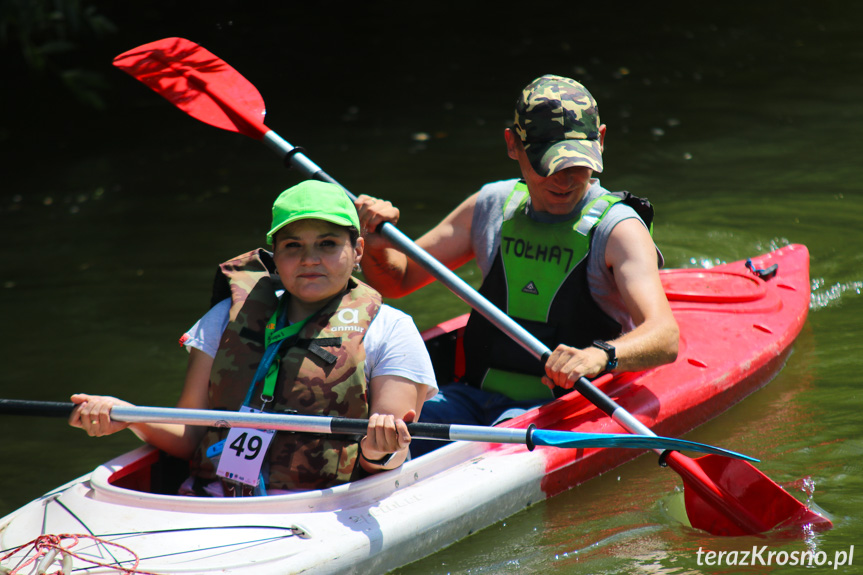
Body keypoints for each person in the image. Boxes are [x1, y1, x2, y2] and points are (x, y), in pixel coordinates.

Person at [355, 74, 679, 455]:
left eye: (578, 163)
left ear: (601, 141)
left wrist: (598, 355)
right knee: (381, 441)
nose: (565, 179)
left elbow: (665, 336)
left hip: (558, 413)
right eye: (549, 163)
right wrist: (376, 242)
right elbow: (399, 281)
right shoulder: (491, 205)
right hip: (469, 399)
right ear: (513, 144)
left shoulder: (618, 229)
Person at [69, 180, 438, 495]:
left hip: (323, 509)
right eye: (293, 246)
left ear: (357, 251)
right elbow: (189, 435)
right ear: (274, 256)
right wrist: (130, 415)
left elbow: (386, 463)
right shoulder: (227, 318)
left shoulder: (391, 330)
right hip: (209, 498)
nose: (310, 259)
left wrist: (380, 449)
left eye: (327, 243)